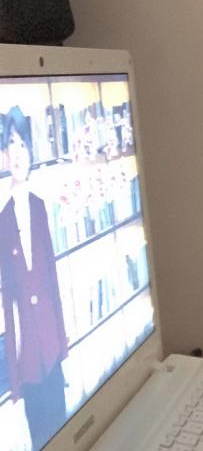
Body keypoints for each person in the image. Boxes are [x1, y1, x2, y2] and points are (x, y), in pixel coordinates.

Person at [0, 106, 68, 450]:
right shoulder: (2, 221)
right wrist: (15, 378)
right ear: (4, 154)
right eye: (11, 144)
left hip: (51, 346)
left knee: (65, 428)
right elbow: (8, 304)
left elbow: (52, 281)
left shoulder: (40, 207)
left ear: (30, 152)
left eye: (23, 144)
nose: (18, 152)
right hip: (28, 357)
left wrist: (63, 345)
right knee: (41, 438)